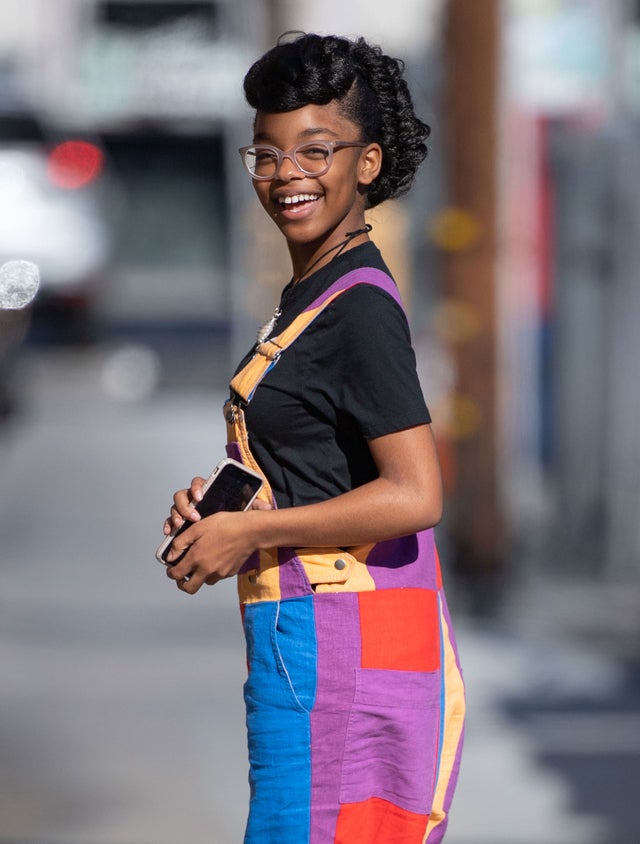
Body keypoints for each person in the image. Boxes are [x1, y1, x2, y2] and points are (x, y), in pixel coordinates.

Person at [161, 32, 465, 844]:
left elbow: (416, 493)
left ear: (366, 163)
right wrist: (226, 505)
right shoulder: (312, 291)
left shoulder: (358, 307)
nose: (287, 174)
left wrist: (251, 532)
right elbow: (322, 462)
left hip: (342, 660)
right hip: (313, 650)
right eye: (267, 152)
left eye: (315, 150)